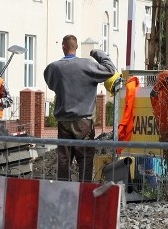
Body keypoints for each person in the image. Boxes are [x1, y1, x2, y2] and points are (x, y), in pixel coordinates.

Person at [43, 35, 116, 182]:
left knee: (64, 160)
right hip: (83, 122)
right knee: (85, 159)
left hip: (63, 121)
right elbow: (110, 70)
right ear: (76, 47)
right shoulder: (87, 65)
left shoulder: (54, 67)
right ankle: (84, 192)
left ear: (63, 46)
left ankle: (64, 192)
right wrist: (97, 53)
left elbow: (50, 83)